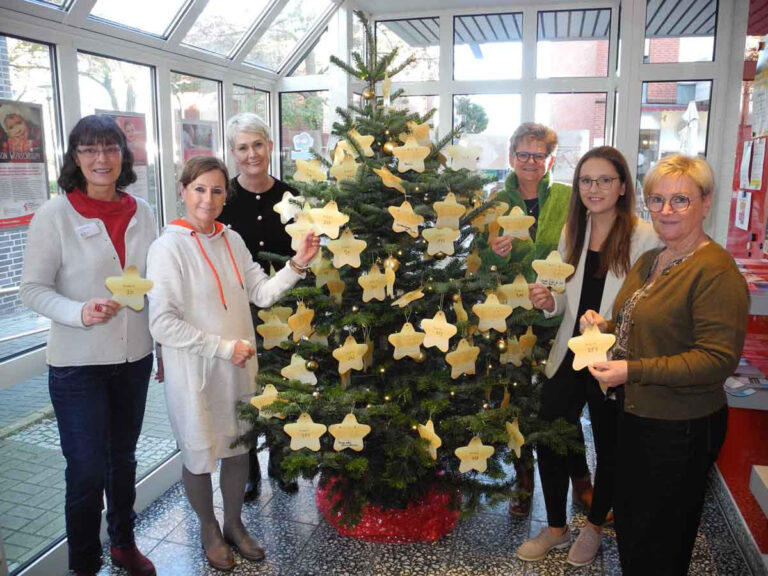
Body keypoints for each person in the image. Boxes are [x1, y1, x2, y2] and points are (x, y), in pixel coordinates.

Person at [146, 156, 319, 571]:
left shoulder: (232, 240)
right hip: (196, 373)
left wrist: (297, 263)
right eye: (199, 189)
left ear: (227, 195)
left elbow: (261, 293)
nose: (208, 198)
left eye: (217, 190)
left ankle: (235, 523)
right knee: (199, 450)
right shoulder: (167, 247)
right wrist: (224, 348)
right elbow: (162, 323)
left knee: (240, 446)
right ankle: (209, 528)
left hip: (238, 368)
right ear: (184, 191)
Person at [584, 154, 749, 576]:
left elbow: (715, 360)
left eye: (680, 200)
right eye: (656, 200)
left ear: (706, 202)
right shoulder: (652, 260)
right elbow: (634, 322)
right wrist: (603, 326)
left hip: (679, 428)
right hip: (635, 415)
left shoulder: (716, 272)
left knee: (663, 538)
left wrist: (632, 371)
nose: (666, 211)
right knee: (636, 527)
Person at [20, 115, 157, 576]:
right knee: (85, 472)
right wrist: (79, 311)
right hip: (78, 366)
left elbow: (154, 286)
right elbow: (33, 289)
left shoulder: (143, 210)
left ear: (123, 154)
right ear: (75, 158)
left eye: (110, 148)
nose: (101, 159)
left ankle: (123, 543)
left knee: (123, 461)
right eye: (89, 150)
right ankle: (84, 564)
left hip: (134, 358)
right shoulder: (54, 215)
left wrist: (161, 346)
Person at [516, 147, 660, 566]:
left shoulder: (645, 238)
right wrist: (547, 302)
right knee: (550, 433)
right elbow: (564, 301)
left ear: (621, 187)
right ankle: (557, 527)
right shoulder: (572, 232)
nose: (593, 189)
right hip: (569, 351)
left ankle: (595, 527)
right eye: (585, 180)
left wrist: (611, 321)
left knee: (610, 446)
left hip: (612, 358)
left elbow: (646, 308)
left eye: (603, 180)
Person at [479, 122, 584, 517]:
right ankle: (524, 480)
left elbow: (580, 251)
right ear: (511, 157)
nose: (530, 162)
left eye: (538, 155)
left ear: (549, 160)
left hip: (558, 318)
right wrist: (496, 255)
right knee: (516, 402)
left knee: (563, 404)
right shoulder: (493, 203)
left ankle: (581, 480)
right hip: (509, 320)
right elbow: (480, 263)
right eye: (523, 154)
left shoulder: (567, 198)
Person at [218, 113, 298, 497]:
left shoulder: (291, 196)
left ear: (269, 146)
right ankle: (247, 468)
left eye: (258, 145)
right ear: (233, 153)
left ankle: (282, 465)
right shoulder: (223, 200)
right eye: (242, 148)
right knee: (244, 390)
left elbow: (306, 251)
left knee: (284, 385)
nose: (252, 154)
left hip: (286, 308)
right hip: (238, 311)